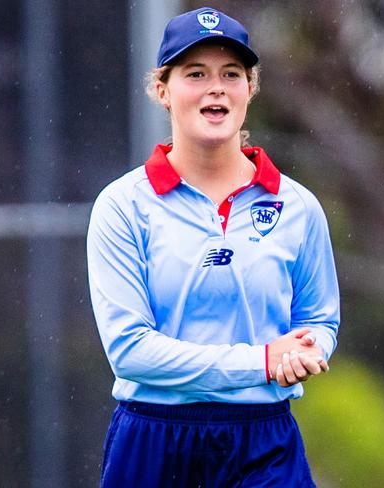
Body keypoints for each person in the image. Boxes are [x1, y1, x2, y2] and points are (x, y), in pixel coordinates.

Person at [87, 6, 340, 487]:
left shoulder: (298, 206)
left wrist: (305, 350)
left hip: (263, 440)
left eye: (231, 73)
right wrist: (262, 362)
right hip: (153, 437)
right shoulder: (121, 206)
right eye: (195, 73)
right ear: (162, 90)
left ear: (250, 89)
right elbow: (130, 351)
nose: (216, 87)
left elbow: (318, 318)